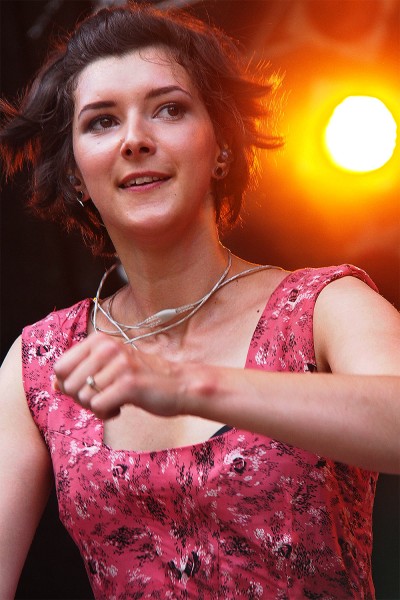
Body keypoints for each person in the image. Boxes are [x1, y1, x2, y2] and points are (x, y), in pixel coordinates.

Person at [0, 3, 399, 599]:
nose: (136, 139)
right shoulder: (38, 363)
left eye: (169, 109)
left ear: (222, 147)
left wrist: (188, 384)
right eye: (102, 122)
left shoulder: (323, 305)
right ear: (77, 174)